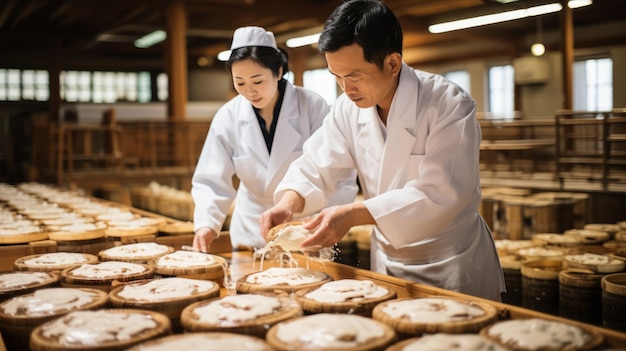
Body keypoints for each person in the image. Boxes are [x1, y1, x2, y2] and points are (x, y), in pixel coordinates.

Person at [260, 0, 505, 301]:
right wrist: (288, 201)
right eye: (336, 77)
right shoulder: (347, 110)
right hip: (388, 261)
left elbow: (440, 193)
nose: (345, 89)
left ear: (392, 63)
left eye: (354, 76)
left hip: (450, 262)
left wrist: (352, 215)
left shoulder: (448, 104)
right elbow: (315, 163)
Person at [191, 26, 357, 252]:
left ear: (278, 72)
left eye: (257, 81)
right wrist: (206, 224)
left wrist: (326, 222)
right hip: (250, 227)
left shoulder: (312, 106)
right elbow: (211, 178)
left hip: (304, 226)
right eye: (240, 83)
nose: (249, 91)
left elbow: (338, 172)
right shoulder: (228, 116)